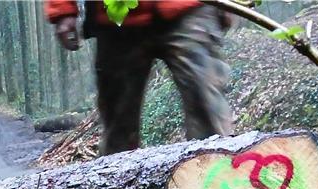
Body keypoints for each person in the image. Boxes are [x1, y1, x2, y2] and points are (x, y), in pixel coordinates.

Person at [46, 0, 235, 154]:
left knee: (206, 107)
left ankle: (218, 184)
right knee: (118, 129)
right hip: (117, 20)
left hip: (190, 11)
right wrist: (62, 9)